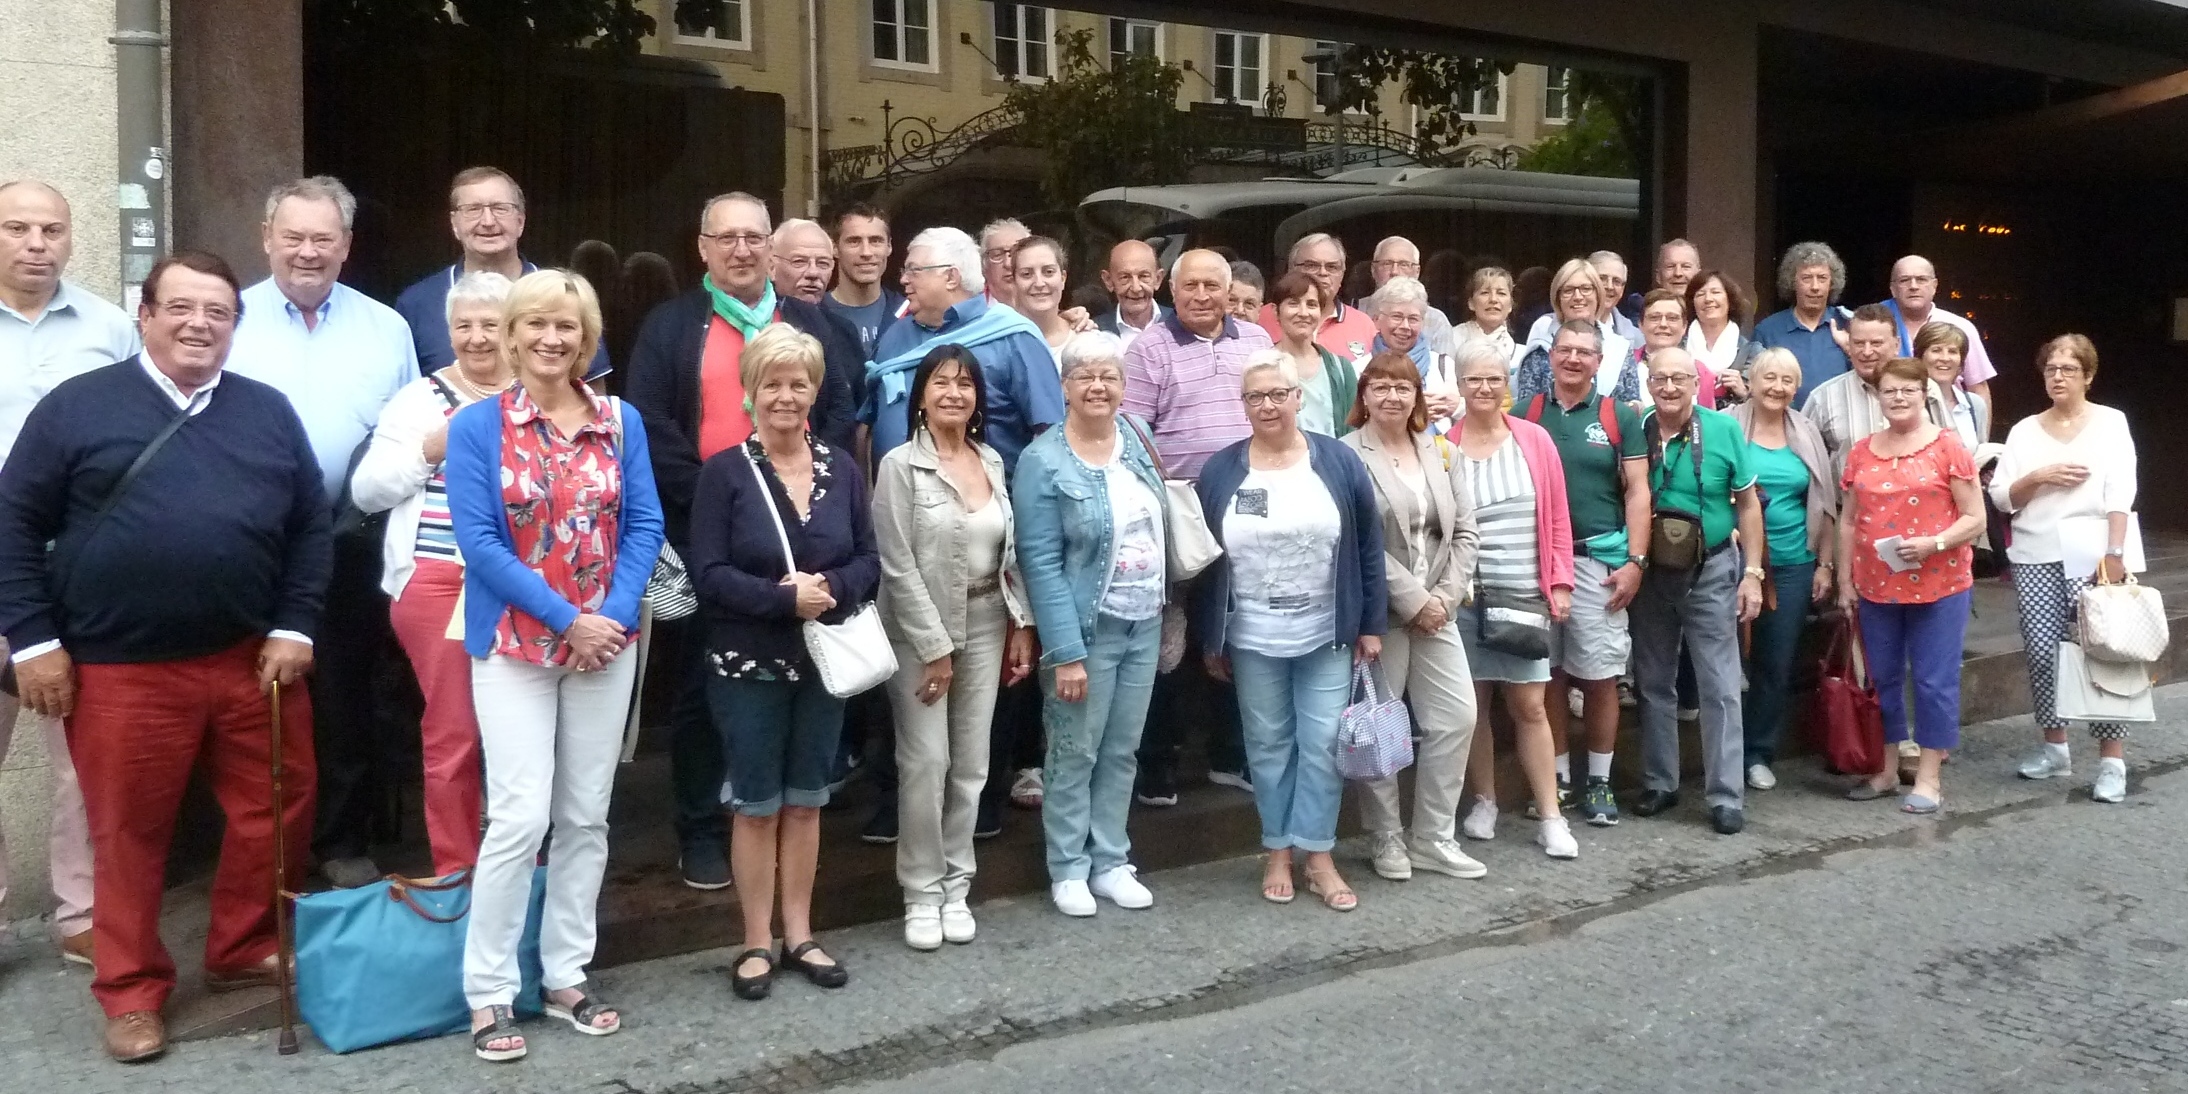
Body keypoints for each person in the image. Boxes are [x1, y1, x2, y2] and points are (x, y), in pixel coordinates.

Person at [0, 250, 330, 1063]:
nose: (198, 324)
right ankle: (131, 990)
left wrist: (295, 626)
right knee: (128, 832)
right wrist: (35, 642)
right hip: (119, 669)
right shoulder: (79, 407)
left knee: (278, 805)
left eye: (217, 311)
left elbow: (309, 528)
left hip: (249, 659)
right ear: (144, 315)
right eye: (179, 307)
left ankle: (241, 946)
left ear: (235, 325)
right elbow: (10, 523)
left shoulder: (266, 411)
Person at [444, 269, 658, 1060]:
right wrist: (569, 619)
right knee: (520, 817)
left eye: (566, 326)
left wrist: (607, 620)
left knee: (586, 815)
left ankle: (567, 973)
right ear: (511, 333)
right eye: (535, 324)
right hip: (516, 647)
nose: (550, 338)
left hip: (604, 645)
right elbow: (480, 544)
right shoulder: (478, 426)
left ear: (586, 337)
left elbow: (643, 525)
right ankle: (490, 991)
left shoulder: (620, 420)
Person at [621, 191, 860, 889]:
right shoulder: (670, 327)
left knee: (802, 674)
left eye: (754, 237)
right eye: (726, 238)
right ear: (702, 248)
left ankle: (787, 820)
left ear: (770, 247)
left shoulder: (809, 320)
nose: (741, 250)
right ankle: (700, 828)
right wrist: (728, 499)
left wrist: (806, 488)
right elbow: (651, 425)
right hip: (710, 531)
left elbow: (842, 407)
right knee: (705, 686)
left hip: (805, 531)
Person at [224, 175, 417, 889]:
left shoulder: (385, 328)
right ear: (267, 238)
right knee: (242, 708)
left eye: (323, 240)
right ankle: (254, 863)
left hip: (345, 544)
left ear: (346, 246)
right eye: (294, 237)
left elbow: (399, 440)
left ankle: (340, 841)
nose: (308, 252)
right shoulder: (227, 318)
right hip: (245, 546)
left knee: (344, 701)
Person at [688, 323, 877, 999]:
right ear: (750, 391)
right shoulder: (726, 472)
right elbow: (706, 574)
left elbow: (867, 559)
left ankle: (800, 933)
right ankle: (754, 941)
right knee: (757, 805)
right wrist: (779, 598)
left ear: (815, 390)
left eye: (799, 383)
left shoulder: (841, 469)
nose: (786, 396)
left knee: (807, 801)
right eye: (773, 383)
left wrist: (832, 592)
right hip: (749, 666)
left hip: (824, 663)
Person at [1195, 350, 1386, 910]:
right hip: (1252, 634)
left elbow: (1368, 546)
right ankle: (1278, 848)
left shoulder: (1338, 462)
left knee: (1324, 742)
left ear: (1299, 397)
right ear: (1243, 405)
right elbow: (1207, 560)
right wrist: (1212, 637)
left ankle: (1319, 854)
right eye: (1256, 396)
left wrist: (1371, 624)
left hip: (1327, 629)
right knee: (1268, 743)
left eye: (1279, 393)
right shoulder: (1223, 469)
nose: (1269, 405)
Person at [350, 271, 513, 876]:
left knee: (523, 734)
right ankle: (458, 872)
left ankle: (523, 864)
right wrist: (429, 449)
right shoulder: (421, 399)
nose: (475, 338)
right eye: (463, 326)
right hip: (441, 585)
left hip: (531, 587)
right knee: (455, 734)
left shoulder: (541, 393)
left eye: (489, 325)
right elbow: (366, 492)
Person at [0, 179, 124, 968]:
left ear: (72, 239)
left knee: (80, 754)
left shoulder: (111, 329)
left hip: (70, 564)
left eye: (51, 229)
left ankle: (82, 910)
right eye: (17, 228)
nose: (35, 243)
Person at [874, 345, 1034, 948]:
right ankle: (920, 891)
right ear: (920, 395)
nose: (954, 394)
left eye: (965, 385)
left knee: (971, 764)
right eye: (941, 383)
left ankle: (957, 884)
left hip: (990, 617)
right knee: (925, 764)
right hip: (921, 629)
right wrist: (934, 645)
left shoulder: (990, 458)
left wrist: (1022, 623)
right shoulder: (898, 466)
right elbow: (895, 564)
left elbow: (1008, 554)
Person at [1013, 331, 1168, 916]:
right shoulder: (1042, 460)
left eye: (1109, 376)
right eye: (1085, 376)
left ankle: (1111, 859)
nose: (1098, 386)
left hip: (1143, 621)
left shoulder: (1137, 437)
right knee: (1073, 749)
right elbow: (1041, 561)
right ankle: (1068, 866)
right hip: (1085, 629)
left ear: (1124, 387)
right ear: (1065, 387)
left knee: (1122, 750)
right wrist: (1066, 651)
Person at [1121, 250, 1272, 803]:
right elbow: (1133, 431)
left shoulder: (1256, 342)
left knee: (1237, 627)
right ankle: (1156, 761)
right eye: (1191, 286)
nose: (1202, 295)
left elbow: (1274, 412)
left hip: (1249, 501)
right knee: (1169, 639)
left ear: (1229, 290)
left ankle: (1231, 755)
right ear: (1173, 289)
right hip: (1178, 510)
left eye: (1213, 285)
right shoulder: (1149, 349)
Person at [1341, 353, 1484, 881]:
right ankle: (1386, 838)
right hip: (1384, 615)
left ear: (1417, 396)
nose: (1392, 397)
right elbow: (1357, 539)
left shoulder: (1442, 451)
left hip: (1439, 611)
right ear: (1365, 395)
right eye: (1380, 387)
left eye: (1403, 387)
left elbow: (1466, 531)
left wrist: (1444, 598)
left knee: (1457, 716)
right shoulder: (1346, 454)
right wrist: (1412, 599)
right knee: (1382, 728)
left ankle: (1433, 837)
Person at [1993, 335, 2139, 802]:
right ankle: (2054, 747)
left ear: (2088, 376)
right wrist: (2037, 477)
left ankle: (2111, 759)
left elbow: (2121, 490)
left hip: (2093, 553)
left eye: (2069, 369)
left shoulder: (2111, 423)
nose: (2058, 376)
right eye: (2051, 369)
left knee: (2101, 653)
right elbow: (2000, 498)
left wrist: (2115, 554)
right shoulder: (2023, 431)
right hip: (2036, 552)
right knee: (2041, 652)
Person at [1836, 357, 1984, 813]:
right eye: (1889, 391)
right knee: (1882, 679)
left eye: (1908, 390)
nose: (1898, 398)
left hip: (1941, 584)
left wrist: (1934, 542)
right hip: (1876, 585)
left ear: (1925, 394)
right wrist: (1845, 578)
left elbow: (1975, 518)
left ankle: (1929, 777)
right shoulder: (1862, 450)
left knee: (1933, 680)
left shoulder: (1948, 447)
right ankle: (1884, 769)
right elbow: (1847, 520)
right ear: (1877, 397)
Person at [1515, 320, 1648, 827]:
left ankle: (1599, 781)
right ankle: (1560, 779)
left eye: (1584, 352)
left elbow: (1638, 491)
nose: (1573, 359)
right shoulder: (1525, 412)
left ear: (1599, 360)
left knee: (1599, 677)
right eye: (1564, 350)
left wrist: (1636, 561)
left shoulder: (1618, 415)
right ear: (1550, 357)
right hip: (1539, 563)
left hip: (1598, 560)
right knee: (1546, 675)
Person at [1447, 343, 1577, 856]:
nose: (1483, 389)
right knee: (1473, 704)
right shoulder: (1443, 444)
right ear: (1459, 385)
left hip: (1524, 591)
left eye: (1493, 380)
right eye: (1473, 380)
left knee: (1530, 703)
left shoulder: (1535, 440)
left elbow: (1559, 516)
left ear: (1508, 385)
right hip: (1465, 598)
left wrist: (1560, 582)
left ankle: (1551, 816)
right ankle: (1485, 800)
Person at [1628, 347, 1764, 835]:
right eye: (1660, 378)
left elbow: (1748, 506)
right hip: (1651, 572)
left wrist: (1752, 572)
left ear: (1696, 383)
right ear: (1648, 383)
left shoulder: (1724, 428)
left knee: (1720, 685)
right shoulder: (1634, 428)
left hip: (1710, 569)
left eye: (1679, 379)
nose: (1669, 387)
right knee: (1653, 680)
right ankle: (1660, 782)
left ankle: (1726, 796)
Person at [1726, 348, 1837, 790]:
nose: (1776, 387)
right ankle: (1723, 751)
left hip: (1793, 561)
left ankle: (1757, 753)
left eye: (1786, 380)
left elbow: (1826, 503)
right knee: (1724, 662)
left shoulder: (1807, 432)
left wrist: (1825, 564)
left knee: (1774, 663)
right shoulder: (1727, 424)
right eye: (1768, 377)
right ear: (1750, 381)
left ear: (1796, 387)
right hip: (1729, 560)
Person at [864, 226, 1063, 469]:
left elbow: (1051, 435)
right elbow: (867, 423)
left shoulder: (1015, 337)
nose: (904, 279)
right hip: (896, 499)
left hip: (984, 499)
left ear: (951, 277)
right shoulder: (894, 335)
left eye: (914, 270)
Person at [393, 167, 608, 378]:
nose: (488, 221)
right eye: (473, 209)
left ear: (520, 222)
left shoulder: (567, 295)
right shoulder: (416, 304)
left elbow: (593, 395)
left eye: (500, 208)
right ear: (454, 224)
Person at [1804, 304, 1947, 477]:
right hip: (1847, 502)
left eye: (1876, 343)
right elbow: (1803, 464)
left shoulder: (1926, 388)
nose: (1867, 352)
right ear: (1848, 345)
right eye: (1858, 343)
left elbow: (1949, 452)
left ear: (1896, 345)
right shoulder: (1823, 398)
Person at [1883, 255, 1995, 409]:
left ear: (1934, 286)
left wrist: (1979, 433)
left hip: (1951, 422)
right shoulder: (1876, 326)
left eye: (1921, 279)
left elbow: (1978, 389)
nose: (1913, 286)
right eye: (1904, 280)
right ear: (1893, 289)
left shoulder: (1960, 327)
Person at [1750, 241, 1852, 407]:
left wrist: (1850, 348)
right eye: (1806, 278)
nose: (1815, 287)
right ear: (1792, 282)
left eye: (1822, 278)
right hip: (1784, 426)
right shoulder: (1768, 330)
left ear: (1832, 283)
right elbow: (1754, 386)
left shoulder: (1848, 324)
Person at [1515, 259, 1631, 403]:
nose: (1577, 297)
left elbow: (1632, 406)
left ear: (1598, 295)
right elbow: (1526, 414)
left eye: (1586, 289)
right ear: (1558, 299)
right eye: (1568, 290)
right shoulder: (1540, 350)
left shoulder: (1619, 348)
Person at [1353, 277, 1456, 438]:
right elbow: (1354, 420)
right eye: (1397, 317)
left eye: (1413, 319)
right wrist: (1417, 409)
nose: (1405, 326)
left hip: (1437, 457)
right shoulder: (1358, 369)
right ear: (1377, 320)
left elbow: (1466, 421)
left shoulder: (1442, 365)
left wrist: (1458, 406)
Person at [1270, 271, 1363, 438]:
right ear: (1275, 311)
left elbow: (1353, 431)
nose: (1303, 313)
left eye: (1311, 304)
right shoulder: (1261, 367)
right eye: (1293, 304)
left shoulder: (1341, 369)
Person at [1257, 233, 1378, 361]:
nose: (1323, 273)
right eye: (1312, 265)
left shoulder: (1364, 325)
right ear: (1291, 270)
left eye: (1332, 267)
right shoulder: (1262, 318)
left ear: (1342, 274)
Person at [822, 203, 904, 358]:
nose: (866, 252)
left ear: (889, 246)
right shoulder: (814, 314)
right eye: (854, 241)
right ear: (834, 247)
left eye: (876, 241)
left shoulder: (908, 313)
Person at [1371, 237, 1454, 354]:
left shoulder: (1437, 320)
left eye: (1403, 264)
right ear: (1373, 270)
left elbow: (1445, 368)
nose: (1394, 271)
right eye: (1386, 264)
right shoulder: (1358, 313)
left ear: (1417, 272)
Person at [1916, 322, 1990, 449]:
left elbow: (1981, 455)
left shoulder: (1974, 404)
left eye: (1952, 351)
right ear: (1920, 357)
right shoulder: (1910, 402)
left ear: (1961, 362)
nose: (1945, 358)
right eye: (1936, 350)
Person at [1683, 270, 1752, 404]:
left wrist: (1743, 391)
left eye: (1716, 292)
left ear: (1730, 300)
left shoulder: (1751, 352)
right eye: (1700, 294)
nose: (1708, 299)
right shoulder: (1678, 348)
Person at [1013, 235, 1075, 369]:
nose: (1039, 283)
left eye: (1048, 272)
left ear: (1063, 278)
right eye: (1026, 274)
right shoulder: (1001, 343)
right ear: (1014, 282)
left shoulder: (1086, 340)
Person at [1095, 240, 1168, 348]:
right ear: (1108, 281)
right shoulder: (1095, 332)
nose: (1136, 288)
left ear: (1158, 279)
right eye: (1125, 277)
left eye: (1144, 276)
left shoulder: (1180, 323)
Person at [1449, 266, 1519, 376]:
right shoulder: (1452, 339)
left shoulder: (1521, 353)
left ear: (1510, 305)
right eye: (1485, 293)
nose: (1493, 299)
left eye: (1501, 293)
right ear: (1471, 303)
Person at [769, 218, 836, 306]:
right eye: (799, 262)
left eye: (823, 263)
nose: (813, 273)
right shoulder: (752, 318)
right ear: (771, 267)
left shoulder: (836, 320)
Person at [1587, 250, 1641, 344]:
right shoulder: (1553, 325)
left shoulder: (1637, 338)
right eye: (1602, 279)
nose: (1610, 286)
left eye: (1616, 281)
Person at [979, 218, 1030, 309]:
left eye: (1016, 253)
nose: (1008, 264)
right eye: (997, 255)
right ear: (984, 266)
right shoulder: (970, 312)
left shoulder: (1048, 309)